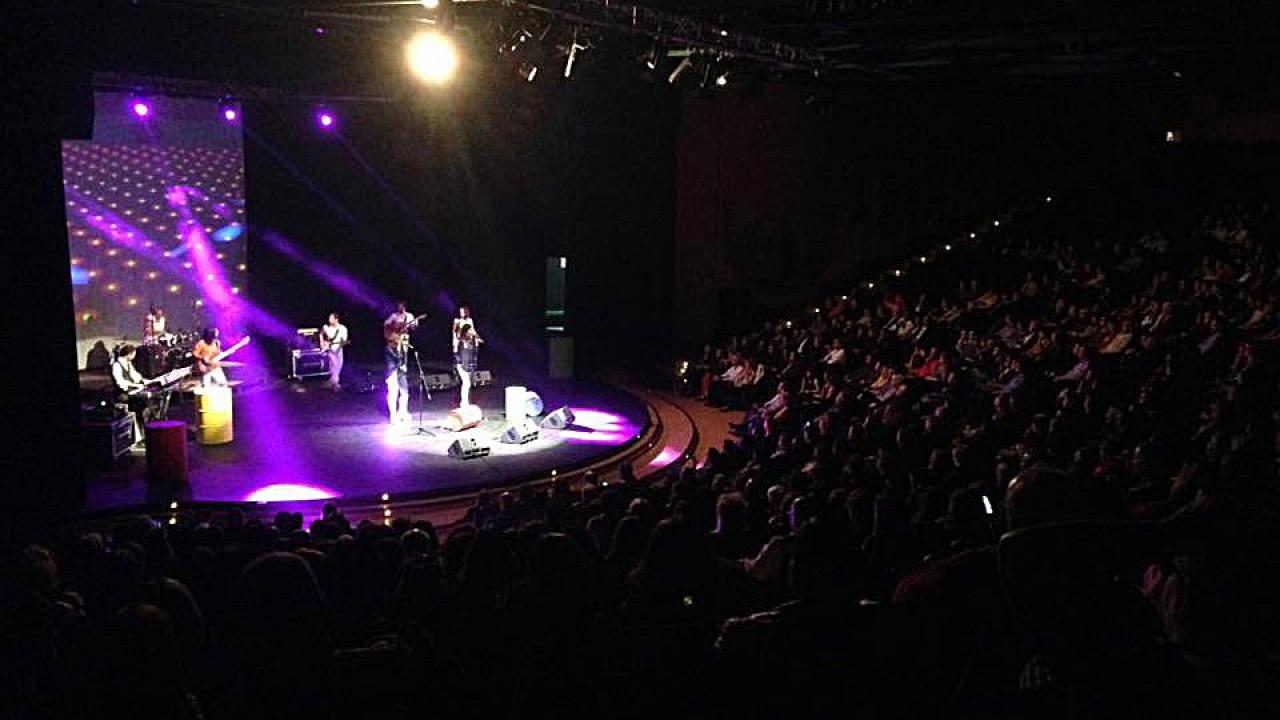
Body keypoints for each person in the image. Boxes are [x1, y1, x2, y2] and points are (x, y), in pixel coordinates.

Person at [383, 302, 421, 424]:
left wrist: (413, 323)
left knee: (405, 391)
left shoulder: (409, 317)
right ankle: (393, 414)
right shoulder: (389, 346)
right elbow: (386, 326)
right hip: (393, 371)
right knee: (393, 390)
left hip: (401, 367)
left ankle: (403, 412)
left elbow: (413, 328)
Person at [318, 311, 348, 391]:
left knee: (338, 368)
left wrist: (340, 345)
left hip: (338, 350)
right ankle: (336, 385)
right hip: (330, 351)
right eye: (329, 318)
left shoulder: (343, 328)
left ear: (336, 319)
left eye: (331, 318)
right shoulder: (327, 328)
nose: (329, 320)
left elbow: (344, 341)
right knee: (334, 367)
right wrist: (322, 342)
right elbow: (321, 333)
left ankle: (331, 383)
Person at [455, 325, 483, 407]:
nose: (472, 331)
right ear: (466, 331)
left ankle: (466, 402)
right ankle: (464, 403)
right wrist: (464, 366)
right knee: (466, 383)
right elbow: (462, 354)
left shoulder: (473, 340)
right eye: (470, 330)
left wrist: (476, 337)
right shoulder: (463, 341)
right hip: (462, 365)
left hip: (469, 365)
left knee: (468, 384)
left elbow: (476, 349)